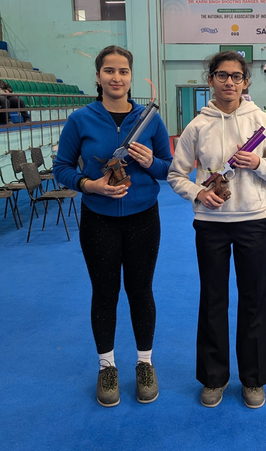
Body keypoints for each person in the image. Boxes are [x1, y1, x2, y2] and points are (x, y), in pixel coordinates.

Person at [167, 50, 266, 409]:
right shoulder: (197, 125)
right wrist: (198, 192)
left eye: (236, 76)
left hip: (252, 221)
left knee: (254, 299)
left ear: (246, 81)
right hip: (210, 225)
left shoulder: (262, 121)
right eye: (222, 75)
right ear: (211, 80)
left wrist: (259, 163)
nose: (229, 82)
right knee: (213, 300)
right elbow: (176, 174)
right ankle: (213, 378)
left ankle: (253, 379)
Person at [53, 45, 173, 407]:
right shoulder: (80, 119)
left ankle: (144, 364)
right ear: (98, 76)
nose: (116, 77)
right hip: (98, 220)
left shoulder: (150, 120)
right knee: (104, 293)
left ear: (131, 76)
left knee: (141, 291)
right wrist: (90, 185)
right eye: (109, 70)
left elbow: (169, 168)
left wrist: (151, 162)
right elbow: (61, 168)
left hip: (143, 218)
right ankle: (107, 367)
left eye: (123, 71)